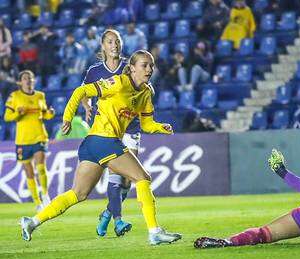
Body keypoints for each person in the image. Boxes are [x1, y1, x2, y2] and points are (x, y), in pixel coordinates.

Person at [20, 50, 183, 246]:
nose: (149, 69)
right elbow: (81, 91)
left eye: (151, 65)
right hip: (103, 140)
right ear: (131, 68)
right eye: (144, 65)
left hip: (94, 145)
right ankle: (154, 232)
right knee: (142, 178)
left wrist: (160, 128)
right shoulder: (118, 83)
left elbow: (147, 124)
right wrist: (67, 117)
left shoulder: (146, 93)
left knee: (78, 194)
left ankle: (32, 222)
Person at [82, 29, 138, 238]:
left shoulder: (129, 68)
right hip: (108, 130)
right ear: (103, 46)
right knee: (117, 176)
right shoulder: (94, 71)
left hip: (131, 127)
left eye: (117, 41)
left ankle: (107, 213)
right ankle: (118, 220)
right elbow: (84, 92)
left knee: (128, 179)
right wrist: (87, 106)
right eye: (110, 42)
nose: (114, 45)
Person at [4, 70, 54, 212]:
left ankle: (45, 194)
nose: (29, 80)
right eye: (25, 78)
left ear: (34, 81)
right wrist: (17, 113)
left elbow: (44, 115)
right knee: (29, 172)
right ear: (20, 82)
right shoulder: (14, 96)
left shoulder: (40, 95)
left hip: (39, 135)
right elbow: (7, 117)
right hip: (23, 139)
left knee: (41, 166)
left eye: (31, 78)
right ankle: (37, 202)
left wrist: (50, 114)